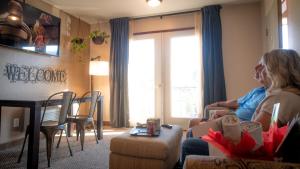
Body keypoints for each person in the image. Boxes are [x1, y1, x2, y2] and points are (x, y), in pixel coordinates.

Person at [181, 49, 300, 165]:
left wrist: (223, 127)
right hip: (253, 149)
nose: (260, 71)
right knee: (195, 132)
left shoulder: (280, 98)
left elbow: (252, 138)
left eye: (264, 67)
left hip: (247, 156)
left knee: (188, 144)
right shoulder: (289, 96)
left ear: (275, 71)